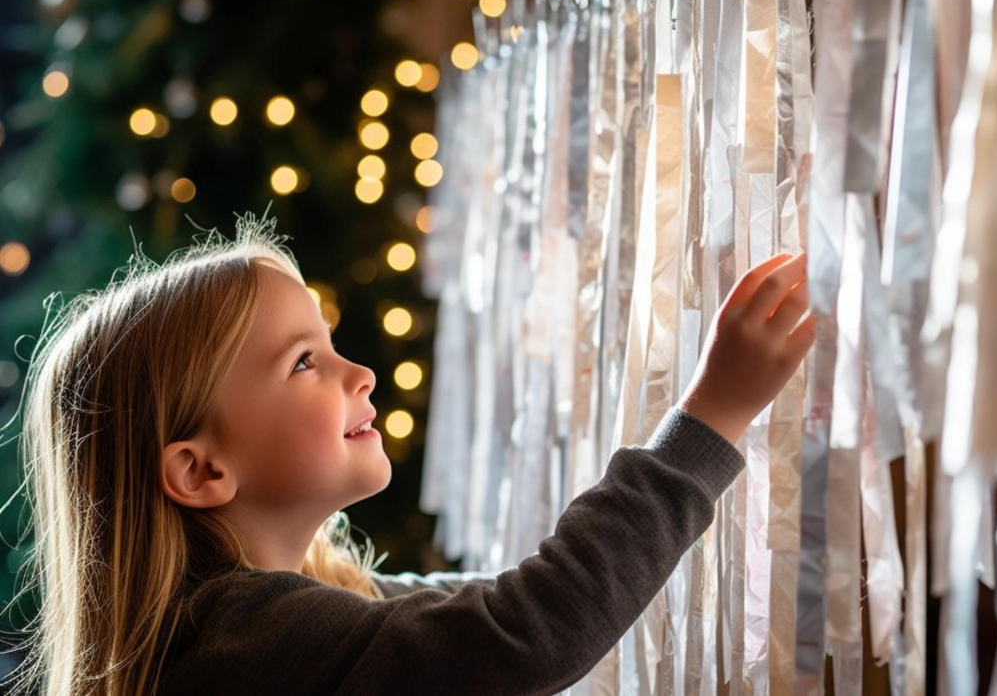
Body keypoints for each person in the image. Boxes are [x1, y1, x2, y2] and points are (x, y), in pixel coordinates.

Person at [0, 211, 815, 696]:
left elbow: (494, 604)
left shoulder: (286, 611)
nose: (361, 372)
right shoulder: (246, 640)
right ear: (201, 470)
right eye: (305, 363)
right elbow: (524, 633)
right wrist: (712, 417)